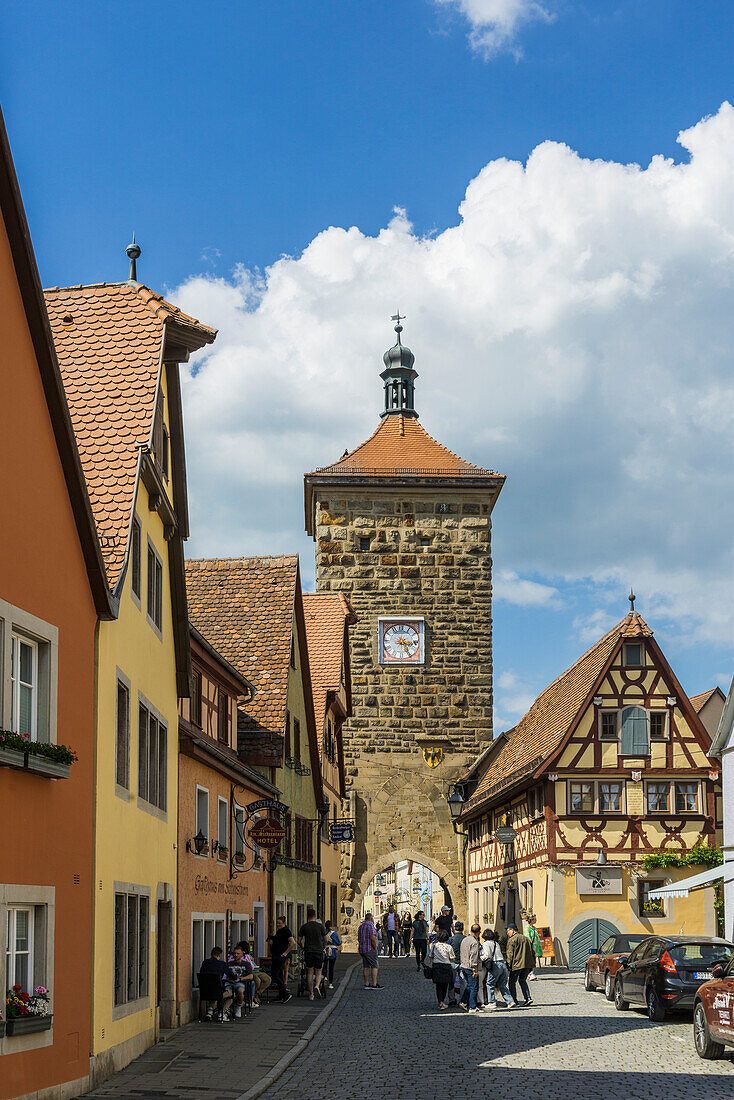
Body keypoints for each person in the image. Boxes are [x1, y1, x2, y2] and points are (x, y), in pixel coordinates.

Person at [199, 946, 237, 1020]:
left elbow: (202, 974)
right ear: (219, 955)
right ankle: (222, 1012)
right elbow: (233, 976)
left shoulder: (205, 963)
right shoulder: (222, 964)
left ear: (211, 954)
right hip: (217, 992)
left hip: (205, 992)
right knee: (232, 993)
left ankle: (210, 1011)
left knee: (213, 989)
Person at [480, 929, 513, 1010]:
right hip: (502, 963)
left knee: (489, 983)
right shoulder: (496, 943)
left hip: (495, 964)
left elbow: (487, 955)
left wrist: (480, 958)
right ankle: (510, 1001)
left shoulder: (486, 943)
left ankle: (491, 1002)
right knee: (502, 985)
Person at [298, 907, 326, 1001]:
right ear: (315, 916)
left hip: (308, 951)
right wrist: (323, 946)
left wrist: (302, 947)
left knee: (309, 972)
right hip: (318, 951)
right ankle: (317, 986)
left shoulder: (304, 926)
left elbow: (298, 940)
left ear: (307, 916)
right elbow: (325, 939)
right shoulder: (320, 926)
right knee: (318, 970)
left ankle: (311, 994)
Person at [505, 923, 535, 1006]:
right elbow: (532, 952)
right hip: (526, 965)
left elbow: (510, 954)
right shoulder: (526, 939)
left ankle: (514, 1000)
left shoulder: (512, 940)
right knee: (522, 981)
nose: (507, 933)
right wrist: (532, 964)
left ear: (512, 930)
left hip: (516, 965)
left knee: (512, 983)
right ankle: (528, 998)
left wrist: (508, 965)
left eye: (508, 930)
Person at [233, 941, 271, 1007]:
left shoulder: (247, 956)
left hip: (256, 971)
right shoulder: (238, 957)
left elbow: (252, 966)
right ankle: (252, 997)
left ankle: (258, 993)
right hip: (249, 973)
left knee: (267, 978)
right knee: (257, 980)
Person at [268, 916, 295, 1003]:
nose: (278, 925)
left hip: (280, 956)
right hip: (276, 955)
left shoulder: (286, 931)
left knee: (274, 975)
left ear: (284, 923)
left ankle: (286, 994)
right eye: (277, 923)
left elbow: (293, 943)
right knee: (279, 975)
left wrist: (286, 953)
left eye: (279, 923)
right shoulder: (280, 931)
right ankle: (281, 995)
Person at [427, 930, 456, 1009]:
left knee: (438, 985)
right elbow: (452, 957)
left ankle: (440, 1002)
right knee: (445, 985)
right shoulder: (449, 947)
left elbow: (430, 955)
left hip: (437, 966)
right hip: (446, 966)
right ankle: (442, 1002)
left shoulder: (434, 946)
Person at [225, 944, 255, 1017]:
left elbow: (251, 976)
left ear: (242, 954)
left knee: (240, 990)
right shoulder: (228, 964)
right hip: (229, 983)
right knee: (226, 992)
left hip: (240, 983)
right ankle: (223, 1009)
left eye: (238, 953)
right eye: (234, 953)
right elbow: (225, 975)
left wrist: (240, 979)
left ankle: (238, 1006)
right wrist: (230, 980)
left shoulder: (246, 964)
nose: (235, 955)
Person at [458, 923, 482, 1013]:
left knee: (469, 986)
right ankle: (472, 1007)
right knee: (474, 987)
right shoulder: (474, 942)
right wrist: (474, 969)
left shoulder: (465, 939)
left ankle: (463, 1002)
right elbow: (474, 956)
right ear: (478, 932)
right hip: (470, 967)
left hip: (463, 965)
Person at [358, 911, 382, 989]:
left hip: (362, 949)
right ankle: (374, 984)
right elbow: (373, 938)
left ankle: (366, 983)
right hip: (369, 948)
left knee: (366, 966)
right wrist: (375, 947)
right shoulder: (370, 926)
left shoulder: (361, 926)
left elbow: (359, 938)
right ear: (371, 918)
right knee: (374, 965)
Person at [448, 921, 466, 1007]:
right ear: (463, 928)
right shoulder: (465, 938)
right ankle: (462, 1000)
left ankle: (452, 999)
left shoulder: (451, 939)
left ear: (455, 928)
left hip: (453, 962)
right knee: (463, 982)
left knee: (451, 981)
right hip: (463, 962)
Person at [524, 915, 543, 980]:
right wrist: (530, 946)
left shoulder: (534, 928)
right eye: (534, 919)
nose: (536, 920)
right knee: (531, 961)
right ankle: (530, 974)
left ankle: (531, 974)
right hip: (530, 947)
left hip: (535, 948)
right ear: (531, 920)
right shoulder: (527, 928)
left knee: (534, 961)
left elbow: (537, 938)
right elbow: (527, 937)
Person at [324, 920, 341, 988]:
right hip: (333, 951)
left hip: (325, 950)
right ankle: (330, 983)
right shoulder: (334, 934)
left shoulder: (324, 933)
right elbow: (339, 943)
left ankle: (324, 978)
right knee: (331, 968)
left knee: (324, 966)